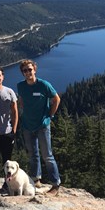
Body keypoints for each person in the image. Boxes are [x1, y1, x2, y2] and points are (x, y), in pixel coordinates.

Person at [17, 59, 61, 195]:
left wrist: (50, 115)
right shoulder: (21, 86)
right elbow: (22, 100)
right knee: (33, 155)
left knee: (47, 155)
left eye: (30, 69)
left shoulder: (44, 85)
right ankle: (36, 179)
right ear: (22, 73)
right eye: (25, 70)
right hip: (27, 125)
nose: (28, 72)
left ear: (35, 69)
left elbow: (56, 99)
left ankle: (55, 185)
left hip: (42, 125)